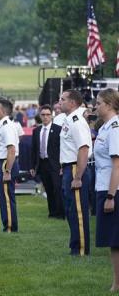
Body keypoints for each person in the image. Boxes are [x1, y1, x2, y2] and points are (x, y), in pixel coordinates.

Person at [59, 90, 93, 256]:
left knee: (78, 211)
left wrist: (78, 176)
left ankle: (81, 249)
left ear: (72, 103)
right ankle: (75, 246)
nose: (60, 101)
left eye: (63, 99)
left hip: (75, 168)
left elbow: (83, 149)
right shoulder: (69, 120)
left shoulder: (76, 121)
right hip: (68, 167)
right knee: (71, 210)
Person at [92, 88, 119, 292]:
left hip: (113, 189)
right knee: (112, 239)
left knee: (115, 239)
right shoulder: (105, 127)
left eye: (99, 103)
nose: (95, 106)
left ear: (109, 105)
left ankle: (117, 284)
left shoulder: (115, 128)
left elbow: (117, 165)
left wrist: (111, 196)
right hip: (104, 185)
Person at [30, 105, 64, 219]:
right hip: (42, 163)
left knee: (57, 188)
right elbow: (34, 149)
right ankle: (52, 212)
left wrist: (62, 165)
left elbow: (62, 148)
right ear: (40, 116)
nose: (45, 117)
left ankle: (60, 213)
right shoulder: (36, 131)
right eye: (43, 115)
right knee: (48, 189)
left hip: (55, 164)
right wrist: (32, 166)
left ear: (52, 115)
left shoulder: (58, 129)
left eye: (48, 115)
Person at [0, 98, 19, 232]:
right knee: (4, 197)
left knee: (7, 197)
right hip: (1, 162)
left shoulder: (7, 126)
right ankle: (8, 224)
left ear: (3, 111)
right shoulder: (2, 125)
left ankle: (10, 226)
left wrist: (7, 170)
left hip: (5, 163)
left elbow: (11, 150)